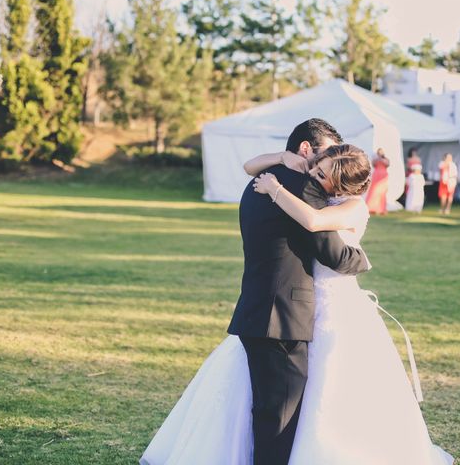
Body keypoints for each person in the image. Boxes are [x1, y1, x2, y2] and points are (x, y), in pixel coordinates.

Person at [139, 119, 371, 465]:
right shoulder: (301, 190)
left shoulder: (256, 182)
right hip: (285, 317)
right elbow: (332, 252)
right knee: (280, 414)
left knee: (265, 407)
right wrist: (362, 260)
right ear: (307, 149)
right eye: (325, 155)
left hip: (259, 307)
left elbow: (254, 174)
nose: (327, 163)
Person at [252, 144, 453, 464]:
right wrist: (280, 158)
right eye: (318, 167)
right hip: (305, 300)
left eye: (323, 174)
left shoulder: (353, 207)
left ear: (343, 185)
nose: (315, 175)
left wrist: (275, 189)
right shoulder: (317, 187)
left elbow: (315, 222)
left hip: (336, 303)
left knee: (333, 384)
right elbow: (251, 165)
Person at [365, 147, 390, 215]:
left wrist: (382, 159)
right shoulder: (376, 159)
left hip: (383, 175)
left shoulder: (386, 159)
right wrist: (378, 158)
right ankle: (372, 208)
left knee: (382, 192)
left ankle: (382, 209)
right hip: (377, 174)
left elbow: (387, 164)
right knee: (374, 191)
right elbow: (373, 164)